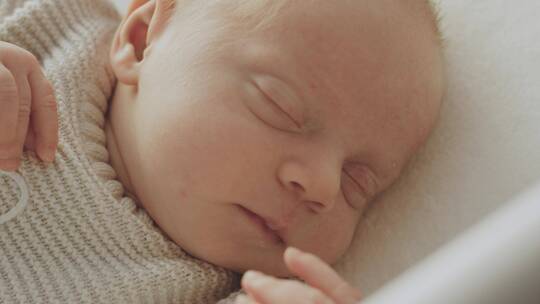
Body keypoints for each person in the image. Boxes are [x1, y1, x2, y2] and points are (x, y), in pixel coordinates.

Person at [0, 0, 445, 303]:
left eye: (357, 183)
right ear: (141, 41)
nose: (323, 186)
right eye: (279, 107)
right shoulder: (45, 24)